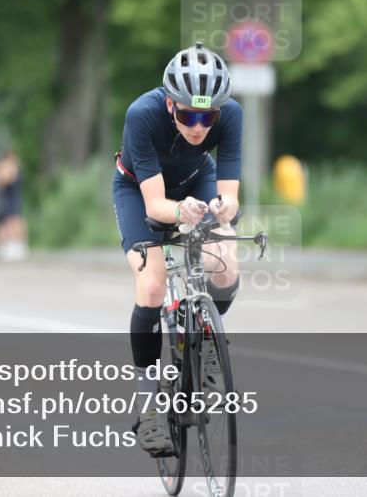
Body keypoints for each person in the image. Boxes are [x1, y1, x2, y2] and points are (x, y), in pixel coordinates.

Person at [112, 42, 243, 456]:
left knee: (225, 267)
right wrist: (182, 212)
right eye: (188, 114)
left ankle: (203, 343)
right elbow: (155, 206)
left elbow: (232, 197)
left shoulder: (232, 115)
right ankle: (148, 408)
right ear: (170, 105)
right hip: (140, 192)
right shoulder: (142, 114)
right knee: (152, 284)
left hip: (195, 181)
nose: (199, 126)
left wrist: (223, 209)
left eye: (208, 116)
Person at [0, 150, 27, 261]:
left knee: (14, 222)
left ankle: (16, 246)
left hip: (12, 199)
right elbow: (1, 182)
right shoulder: (7, 167)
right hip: (7, 200)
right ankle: (3, 247)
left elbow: (3, 181)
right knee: (7, 224)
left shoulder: (12, 168)